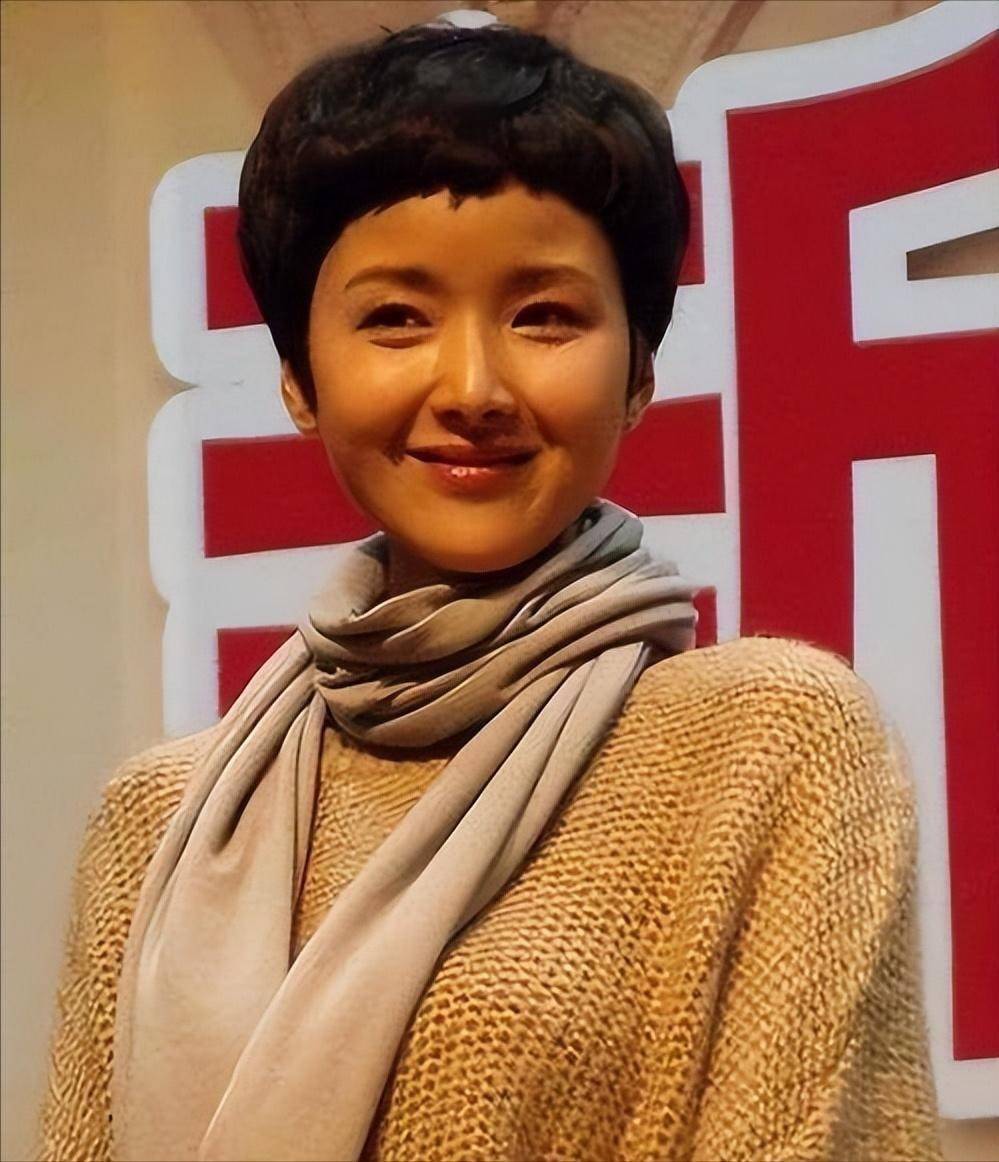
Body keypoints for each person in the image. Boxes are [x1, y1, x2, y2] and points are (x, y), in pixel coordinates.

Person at [38, 16, 942, 1162]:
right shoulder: (158, 817)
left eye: (545, 315)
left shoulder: (770, 741)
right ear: (299, 377)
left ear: (639, 371)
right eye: (396, 318)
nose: (473, 386)